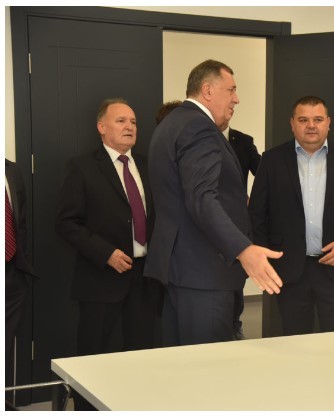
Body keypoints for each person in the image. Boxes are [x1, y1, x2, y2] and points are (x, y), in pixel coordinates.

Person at [145, 59, 282, 347]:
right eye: (231, 90)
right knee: (209, 366)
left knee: (183, 362)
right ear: (207, 90)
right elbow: (201, 198)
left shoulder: (171, 124)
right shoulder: (199, 127)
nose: (236, 98)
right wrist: (243, 249)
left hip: (180, 272)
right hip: (205, 273)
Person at [56, 98, 162, 409]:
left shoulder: (147, 165)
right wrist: (106, 253)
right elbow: (66, 222)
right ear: (102, 127)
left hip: (145, 278)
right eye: (121, 121)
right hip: (101, 278)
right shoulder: (82, 167)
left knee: (141, 353)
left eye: (134, 122)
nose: (130, 126)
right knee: (94, 356)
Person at [248, 96, 334, 335]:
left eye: (318, 119)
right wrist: (265, 259)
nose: (311, 126)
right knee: (295, 340)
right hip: (290, 268)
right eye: (303, 120)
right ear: (292, 123)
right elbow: (257, 213)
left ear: (329, 123)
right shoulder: (272, 160)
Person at [221, 121, 262, 340]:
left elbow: (264, 174)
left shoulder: (244, 141)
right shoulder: (199, 137)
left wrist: (253, 203)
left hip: (237, 222)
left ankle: (235, 324)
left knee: (237, 274)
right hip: (205, 218)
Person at [5, 159, 36, 398]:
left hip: (13, 273)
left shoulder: (11, 170)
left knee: (5, 346)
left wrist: (20, 258)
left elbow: (20, 221)